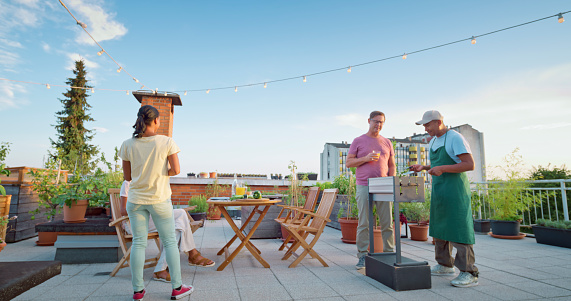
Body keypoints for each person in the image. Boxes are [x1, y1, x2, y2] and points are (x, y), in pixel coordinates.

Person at [119, 105, 193, 300]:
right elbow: (176, 170)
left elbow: (127, 176)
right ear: (156, 121)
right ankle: (177, 288)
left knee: (138, 243)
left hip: (135, 201)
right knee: (169, 242)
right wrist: (160, 172)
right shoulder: (166, 142)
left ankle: (138, 291)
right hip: (159, 200)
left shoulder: (127, 144)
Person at [410, 110, 479, 288]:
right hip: (440, 190)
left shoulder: (455, 138)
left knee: (459, 228)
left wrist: (443, 169)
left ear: (438, 122)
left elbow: (469, 164)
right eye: (424, 125)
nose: (425, 128)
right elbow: (437, 165)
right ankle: (445, 265)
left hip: (455, 190)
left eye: (427, 124)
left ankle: (469, 272)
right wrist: (423, 167)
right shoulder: (433, 141)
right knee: (440, 226)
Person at [119, 180, 215, 283]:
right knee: (179, 219)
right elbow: (123, 210)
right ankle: (192, 254)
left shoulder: (149, 180)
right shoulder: (128, 183)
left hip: (152, 218)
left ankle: (161, 269)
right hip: (135, 223)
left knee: (179, 222)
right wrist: (147, 207)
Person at [346, 111, 396, 270]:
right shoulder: (358, 140)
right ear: (369, 121)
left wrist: (391, 181)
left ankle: (389, 254)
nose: (378, 125)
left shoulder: (387, 142)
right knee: (364, 223)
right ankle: (362, 256)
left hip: (383, 186)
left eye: (381, 122)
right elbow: (349, 163)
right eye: (376, 121)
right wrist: (366, 159)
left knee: (387, 222)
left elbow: (391, 165)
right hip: (363, 185)